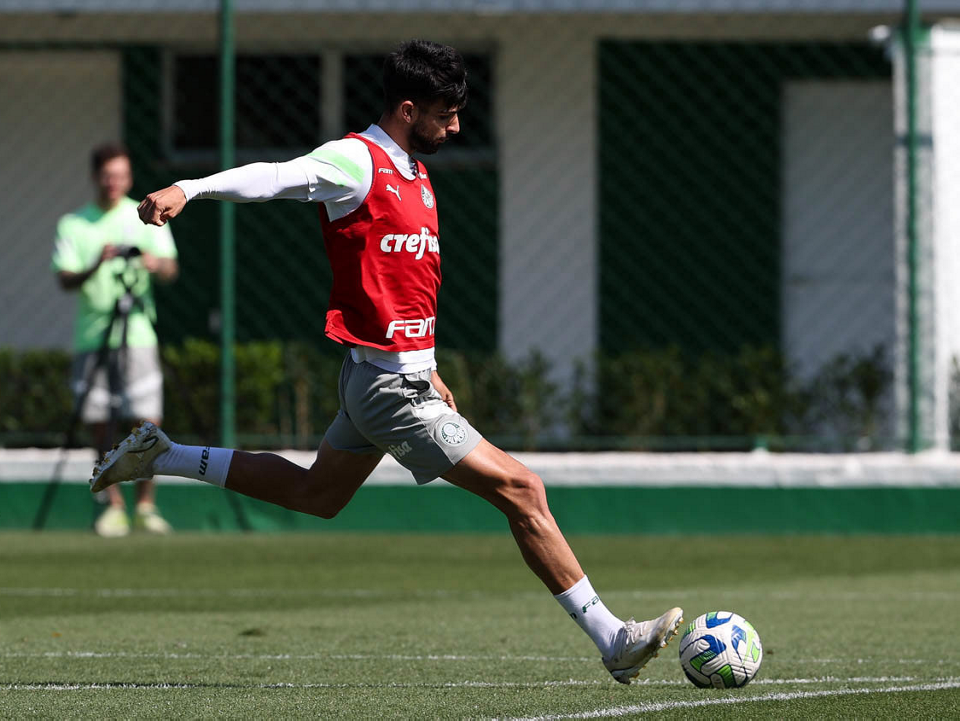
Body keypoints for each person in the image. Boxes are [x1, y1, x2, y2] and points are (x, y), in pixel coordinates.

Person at [95, 40, 682, 684]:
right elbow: (277, 176)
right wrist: (189, 187)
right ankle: (613, 638)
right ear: (407, 109)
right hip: (388, 388)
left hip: (386, 376)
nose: (455, 127)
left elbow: (405, 286)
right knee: (523, 490)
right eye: (444, 114)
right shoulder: (357, 161)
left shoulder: (416, 174)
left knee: (317, 494)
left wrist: (427, 363)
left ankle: (166, 456)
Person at [52, 143, 179, 537]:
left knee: (147, 420)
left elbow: (170, 268)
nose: (114, 183)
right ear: (96, 177)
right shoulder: (73, 224)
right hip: (93, 335)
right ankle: (113, 506)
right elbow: (64, 278)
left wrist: (154, 263)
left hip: (139, 332)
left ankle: (146, 505)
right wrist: (97, 264)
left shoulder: (146, 213)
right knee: (99, 423)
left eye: (121, 176)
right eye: (108, 176)